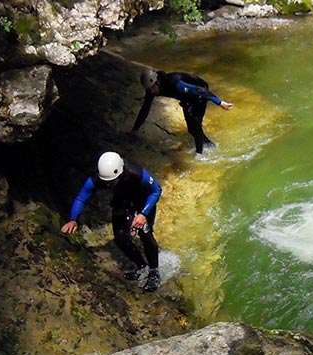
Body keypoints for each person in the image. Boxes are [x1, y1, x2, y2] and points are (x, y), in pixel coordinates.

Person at [61, 152, 163, 292]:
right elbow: (81, 198)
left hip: (143, 201)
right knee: (120, 238)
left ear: (121, 173)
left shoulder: (136, 173)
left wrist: (143, 214)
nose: (108, 184)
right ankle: (141, 267)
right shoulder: (98, 179)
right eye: (106, 182)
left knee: (145, 233)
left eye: (112, 181)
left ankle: (154, 272)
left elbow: (156, 190)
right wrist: (73, 220)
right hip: (122, 202)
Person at [130, 68, 234, 154]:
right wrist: (134, 130)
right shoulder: (151, 90)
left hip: (200, 92)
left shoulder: (175, 83)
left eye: (153, 88)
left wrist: (220, 103)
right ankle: (210, 145)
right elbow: (145, 110)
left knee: (196, 126)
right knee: (191, 129)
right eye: (149, 90)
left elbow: (199, 90)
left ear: (158, 82)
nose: (152, 92)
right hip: (187, 97)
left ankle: (200, 155)